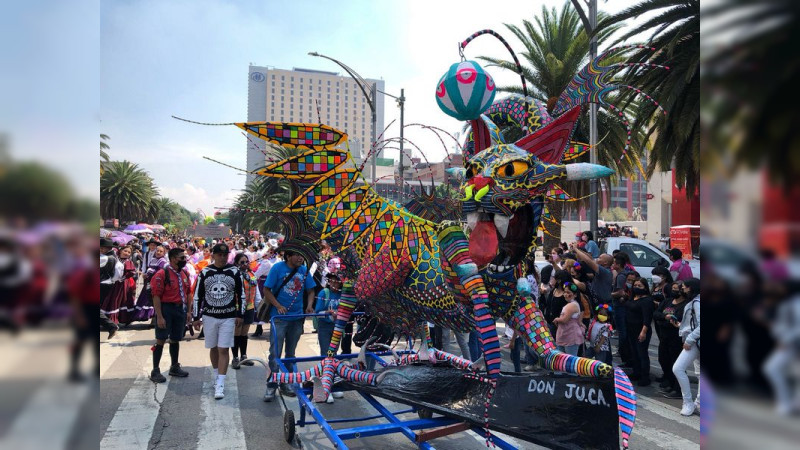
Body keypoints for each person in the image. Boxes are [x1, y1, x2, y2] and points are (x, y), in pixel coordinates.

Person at [262, 249, 316, 402]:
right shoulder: (277, 268)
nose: (300, 258)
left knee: (291, 354)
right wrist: (278, 305)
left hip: (297, 317)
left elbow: (311, 291)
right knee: (275, 353)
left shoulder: (304, 271)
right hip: (279, 318)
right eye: (298, 255)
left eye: (302, 255)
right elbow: (266, 290)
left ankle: (287, 382)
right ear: (288, 256)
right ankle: (271, 384)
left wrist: (309, 305)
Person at [192, 243, 244, 400]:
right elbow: (197, 296)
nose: (222, 257)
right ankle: (216, 375)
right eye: (219, 254)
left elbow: (241, 295)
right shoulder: (205, 272)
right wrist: (196, 317)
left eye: (225, 255)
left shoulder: (234, 272)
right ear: (212, 255)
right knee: (213, 347)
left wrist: (240, 314)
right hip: (209, 316)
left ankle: (221, 383)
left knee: (223, 349)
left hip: (228, 316)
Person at [149, 248, 192, 382]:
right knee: (161, 339)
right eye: (181, 258)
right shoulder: (162, 274)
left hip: (180, 310)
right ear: (173, 258)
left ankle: (174, 366)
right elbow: (156, 296)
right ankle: (155, 370)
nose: (184, 260)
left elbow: (189, 292)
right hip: (166, 309)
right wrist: (160, 316)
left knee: (175, 338)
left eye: (184, 257)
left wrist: (189, 311)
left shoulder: (184, 273)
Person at [763, 292, 800, 415]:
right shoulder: (788, 303)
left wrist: (786, 339)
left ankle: (792, 402)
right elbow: (781, 323)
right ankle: (786, 402)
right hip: (790, 344)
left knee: (794, 373)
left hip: (792, 342)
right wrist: (780, 337)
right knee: (771, 368)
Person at [654, 280, 688, 398]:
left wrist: (667, 319)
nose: (674, 291)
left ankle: (678, 389)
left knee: (676, 363)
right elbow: (656, 314)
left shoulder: (686, 305)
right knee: (663, 359)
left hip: (676, 338)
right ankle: (670, 382)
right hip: (664, 336)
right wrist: (665, 316)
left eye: (677, 289)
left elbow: (680, 319)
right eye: (673, 288)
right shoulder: (667, 301)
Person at [673, 278, 701, 416]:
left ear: (690, 288)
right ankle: (697, 404)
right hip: (696, 340)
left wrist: (689, 340)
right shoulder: (696, 301)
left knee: (678, 368)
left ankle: (688, 402)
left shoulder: (697, 302)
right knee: (700, 374)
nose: (681, 289)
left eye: (683, 286)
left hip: (695, 341)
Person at [231, 253, 261, 369]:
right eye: (241, 262)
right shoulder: (234, 275)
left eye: (246, 262)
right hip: (237, 309)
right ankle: (235, 358)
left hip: (249, 307)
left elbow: (256, 291)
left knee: (244, 333)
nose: (244, 264)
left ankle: (244, 356)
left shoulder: (251, 274)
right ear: (236, 263)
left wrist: (259, 307)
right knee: (236, 333)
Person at [626, 277, 655, 386]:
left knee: (642, 353)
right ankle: (636, 372)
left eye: (640, 286)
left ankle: (645, 377)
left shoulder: (647, 301)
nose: (636, 288)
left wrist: (643, 332)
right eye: (635, 285)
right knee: (634, 352)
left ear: (645, 287)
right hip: (631, 329)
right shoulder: (633, 298)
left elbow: (647, 319)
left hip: (641, 330)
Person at [611, 252, 635, 367]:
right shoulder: (623, 273)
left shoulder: (621, 276)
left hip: (620, 307)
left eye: (614, 263)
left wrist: (610, 294)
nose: (612, 265)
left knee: (622, 331)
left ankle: (623, 353)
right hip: (621, 306)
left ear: (618, 265)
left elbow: (620, 292)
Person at [552, 282, 585, 356]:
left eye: (568, 292)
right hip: (564, 335)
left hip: (570, 336)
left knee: (570, 361)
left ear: (575, 295)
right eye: (565, 292)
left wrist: (557, 319)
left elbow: (564, 320)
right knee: (562, 360)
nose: (566, 294)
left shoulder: (572, 305)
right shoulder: (571, 304)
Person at [99, 238, 123, 337]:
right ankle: (110, 326)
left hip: (101, 284)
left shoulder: (104, 258)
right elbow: (118, 274)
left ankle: (111, 326)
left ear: (103, 248)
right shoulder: (115, 258)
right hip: (107, 284)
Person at [314, 273, 341, 356]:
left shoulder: (343, 294)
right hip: (324, 326)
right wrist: (328, 313)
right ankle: (326, 368)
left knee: (334, 352)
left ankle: (332, 368)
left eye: (336, 282)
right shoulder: (324, 293)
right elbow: (317, 313)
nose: (333, 284)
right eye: (331, 281)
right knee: (326, 352)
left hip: (338, 327)